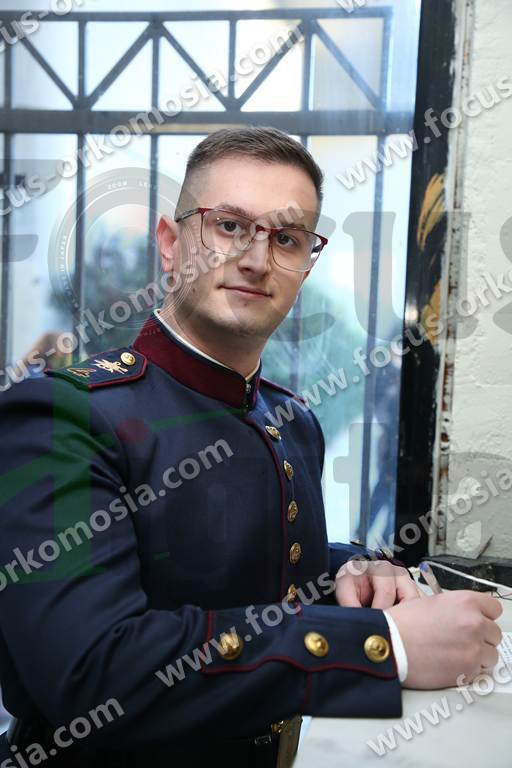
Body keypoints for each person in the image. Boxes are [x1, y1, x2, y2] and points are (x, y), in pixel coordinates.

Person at [0, 127, 502, 768]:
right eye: (231, 226)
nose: (258, 260)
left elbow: (232, 572)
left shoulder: (290, 420)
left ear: (306, 264)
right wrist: (384, 646)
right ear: (171, 243)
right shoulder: (61, 416)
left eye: (287, 238)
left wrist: (349, 571)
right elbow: (92, 671)